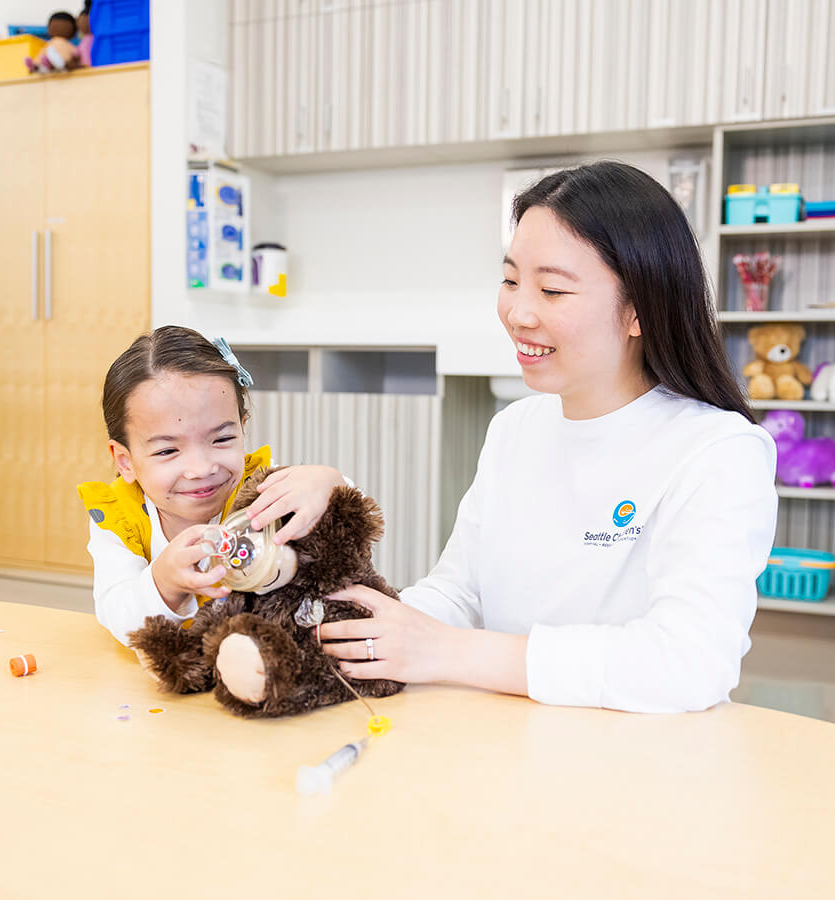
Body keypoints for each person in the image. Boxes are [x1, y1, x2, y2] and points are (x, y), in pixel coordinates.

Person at [317, 161, 779, 714]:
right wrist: (354, 628)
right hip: (507, 738)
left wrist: (450, 653)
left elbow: (689, 663)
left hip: (638, 763)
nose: (519, 312)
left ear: (639, 310)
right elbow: (459, 593)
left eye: (552, 290)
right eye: (511, 280)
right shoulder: (515, 428)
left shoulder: (718, 452)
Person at [79, 326, 347, 646]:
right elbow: (118, 618)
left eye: (222, 439)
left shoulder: (258, 488)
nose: (202, 468)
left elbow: (347, 521)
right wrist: (163, 583)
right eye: (168, 451)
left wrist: (330, 482)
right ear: (125, 461)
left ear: (242, 430)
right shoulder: (119, 518)